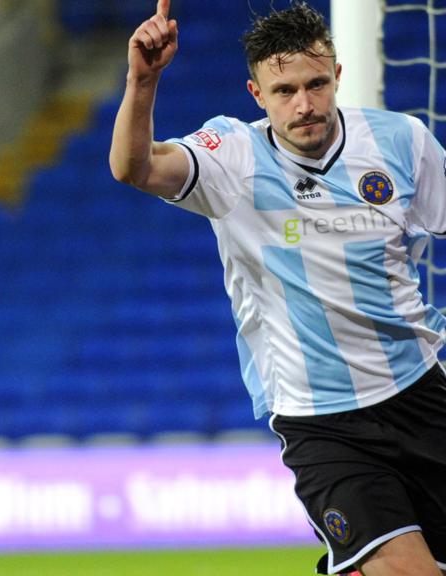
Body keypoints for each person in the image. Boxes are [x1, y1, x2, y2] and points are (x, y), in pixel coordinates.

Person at [110, 1, 446, 575]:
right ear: (256, 93)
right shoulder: (232, 156)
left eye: (317, 84)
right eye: (285, 89)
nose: (305, 104)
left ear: (338, 76)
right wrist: (143, 81)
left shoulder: (401, 141)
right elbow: (134, 168)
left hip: (422, 392)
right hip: (321, 422)